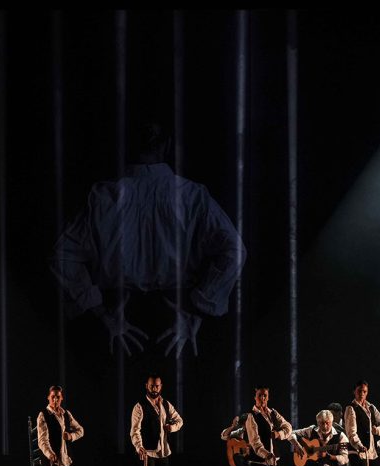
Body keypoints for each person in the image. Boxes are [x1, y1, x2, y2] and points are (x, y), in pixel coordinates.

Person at [51, 123, 246, 357]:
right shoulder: (193, 196)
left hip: (118, 323)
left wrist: (100, 311)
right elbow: (234, 251)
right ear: (167, 145)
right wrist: (198, 309)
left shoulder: (102, 197)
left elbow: (63, 256)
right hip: (177, 320)